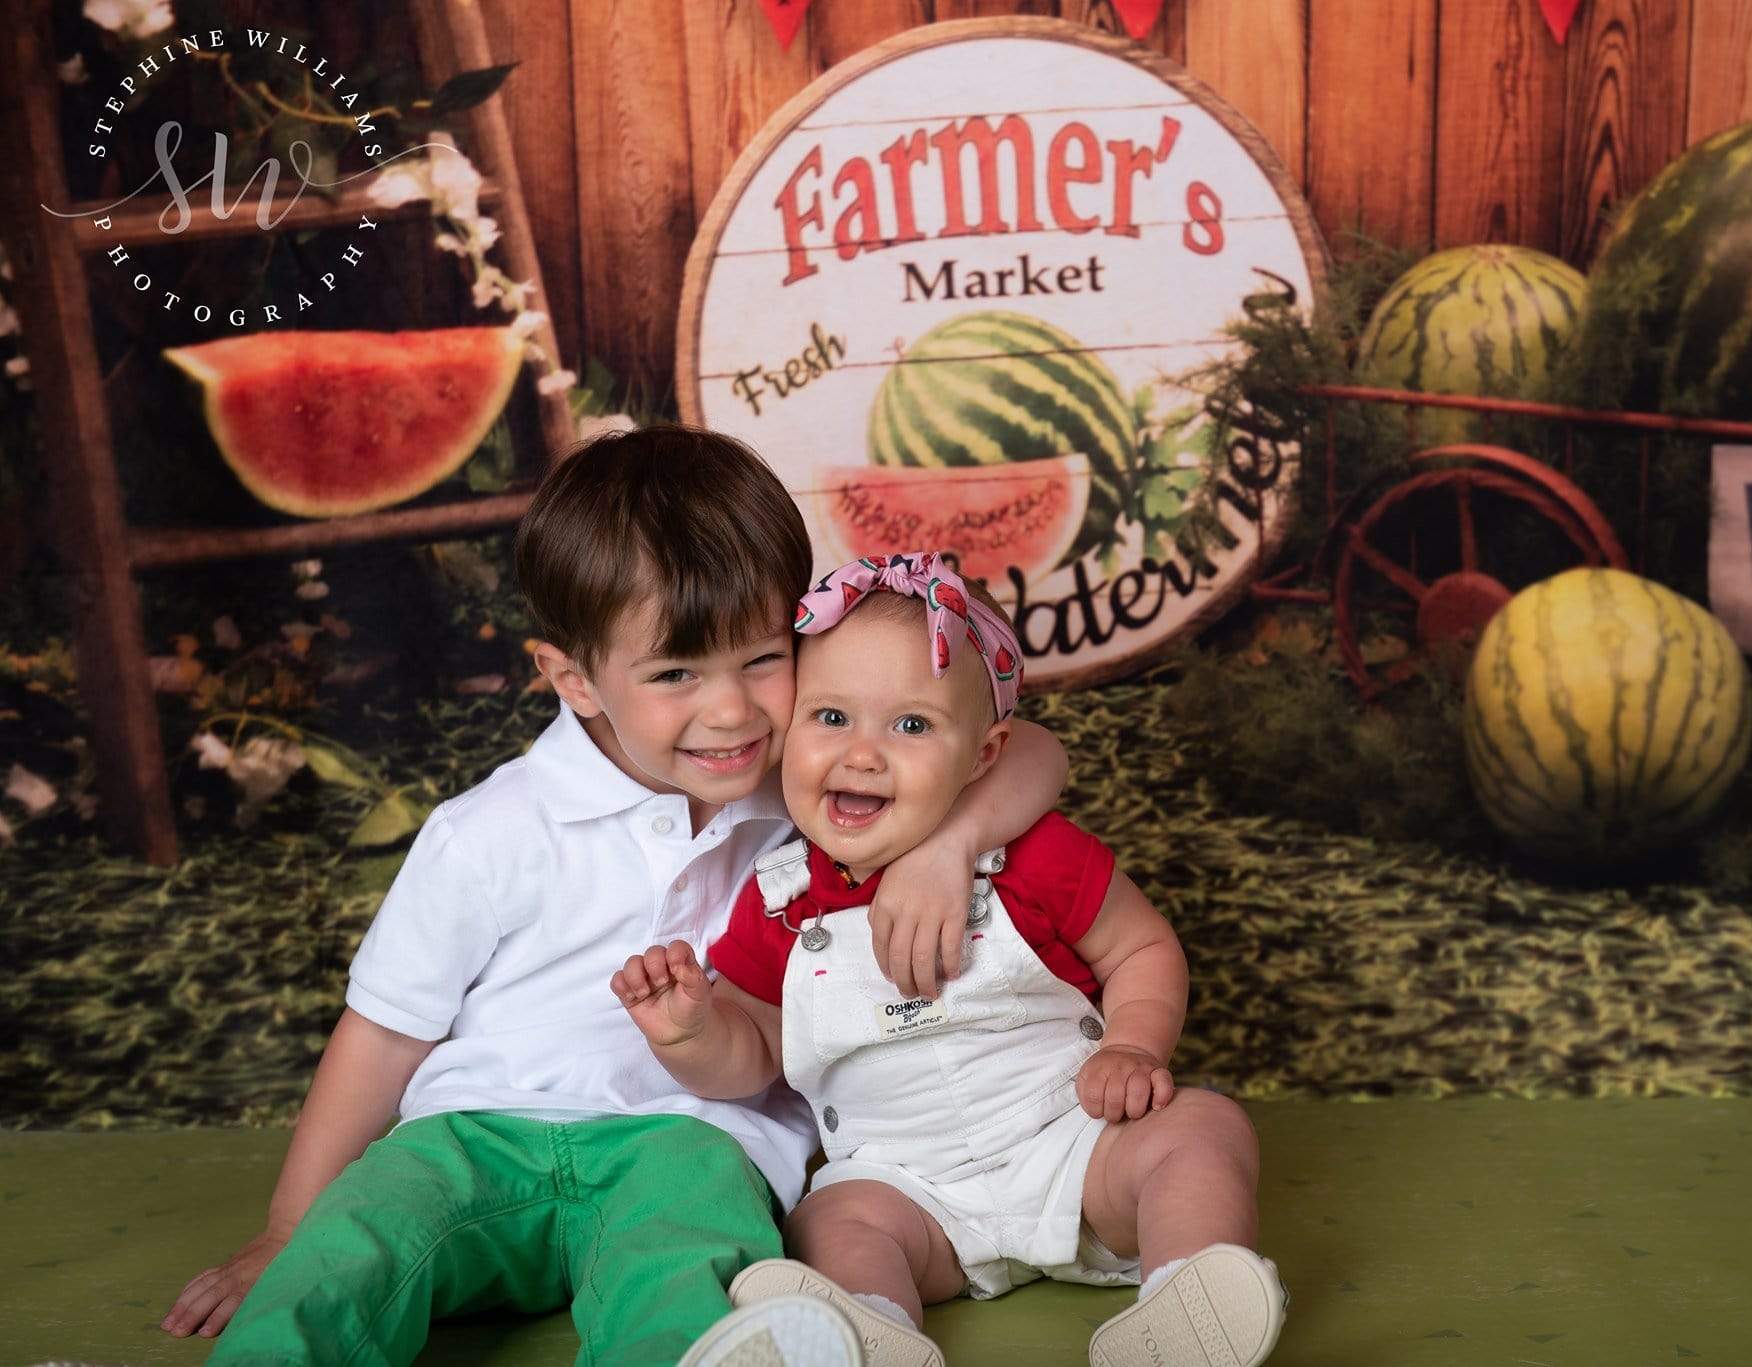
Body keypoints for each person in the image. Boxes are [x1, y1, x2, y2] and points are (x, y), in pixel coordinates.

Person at [161, 430, 1071, 1366]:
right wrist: (286, 1227)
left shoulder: (812, 784)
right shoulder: (490, 830)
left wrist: (951, 841)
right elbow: (384, 1031)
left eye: (762, 659)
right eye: (676, 673)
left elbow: (1031, 747)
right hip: (477, 1133)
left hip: (689, 1140)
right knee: (356, 1240)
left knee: (682, 1265)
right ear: (574, 679)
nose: (732, 712)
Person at [614, 552, 1286, 1367]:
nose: (863, 754)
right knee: (829, 1221)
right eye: (830, 717)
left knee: (1203, 1128)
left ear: (985, 752)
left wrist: (1132, 1046)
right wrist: (687, 1033)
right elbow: (752, 1051)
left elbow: (1143, 947)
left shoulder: (1030, 853)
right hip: (911, 1193)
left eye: (912, 725)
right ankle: (867, 1327)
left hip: (1075, 1148)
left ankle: (1187, 1297)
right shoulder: (781, 901)